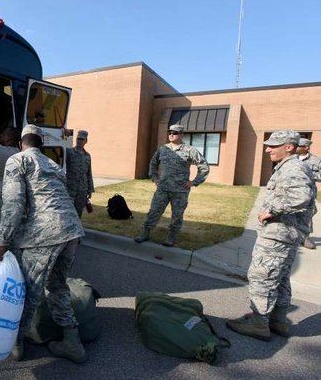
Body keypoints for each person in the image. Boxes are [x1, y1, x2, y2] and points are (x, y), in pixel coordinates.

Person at [0, 124, 86, 363]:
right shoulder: (53, 165)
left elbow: (12, 205)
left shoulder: (17, 160)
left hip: (45, 232)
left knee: (26, 290)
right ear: (41, 143)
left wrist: (2, 241)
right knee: (57, 285)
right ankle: (72, 342)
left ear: (20, 142)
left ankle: (16, 343)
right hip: (72, 229)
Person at [227, 130, 316, 340]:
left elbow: (301, 197)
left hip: (278, 235)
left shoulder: (293, 167)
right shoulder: (291, 166)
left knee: (262, 277)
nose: (268, 149)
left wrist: (273, 210)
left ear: (289, 147)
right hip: (286, 234)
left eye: (273, 145)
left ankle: (259, 323)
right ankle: (278, 321)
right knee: (280, 278)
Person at [134, 124, 210, 247]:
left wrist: (194, 182)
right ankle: (145, 233)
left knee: (177, 216)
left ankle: (171, 237)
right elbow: (153, 164)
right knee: (154, 211)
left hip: (180, 191)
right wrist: (155, 178)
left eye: (174, 133)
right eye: (169, 132)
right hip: (163, 189)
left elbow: (204, 167)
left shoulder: (190, 150)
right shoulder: (163, 149)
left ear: (181, 135)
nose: (171, 134)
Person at [296, 137, 321, 249]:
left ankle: (305, 237)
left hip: (308, 193)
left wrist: (308, 174)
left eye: (298, 146)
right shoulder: (291, 159)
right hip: (291, 191)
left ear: (306, 148)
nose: (296, 147)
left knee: (308, 213)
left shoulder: (316, 161)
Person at [66, 130, 95, 218]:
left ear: (86, 141)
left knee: (78, 214)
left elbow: (89, 173)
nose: (79, 141)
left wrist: (90, 190)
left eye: (82, 139)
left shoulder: (87, 156)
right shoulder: (69, 152)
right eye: (78, 138)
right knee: (68, 213)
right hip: (70, 188)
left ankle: (76, 231)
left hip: (82, 190)